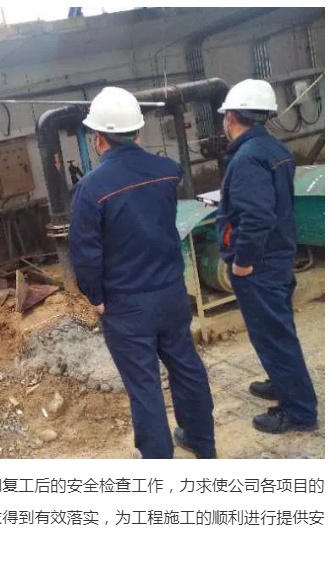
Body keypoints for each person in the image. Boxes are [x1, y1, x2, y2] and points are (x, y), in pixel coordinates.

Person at [69, 87, 216, 459]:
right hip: (170, 292)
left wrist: (96, 297)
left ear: (97, 138)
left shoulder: (91, 188)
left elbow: (85, 254)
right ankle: (202, 442)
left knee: (144, 385)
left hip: (126, 304)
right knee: (186, 366)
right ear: (137, 132)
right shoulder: (167, 172)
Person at [217, 78, 318, 434]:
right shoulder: (274, 149)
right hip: (278, 254)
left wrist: (243, 261)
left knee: (274, 336)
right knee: (278, 329)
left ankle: (299, 412)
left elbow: (257, 216)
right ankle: (282, 383)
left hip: (259, 264)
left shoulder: (246, 158)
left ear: (231, 117)